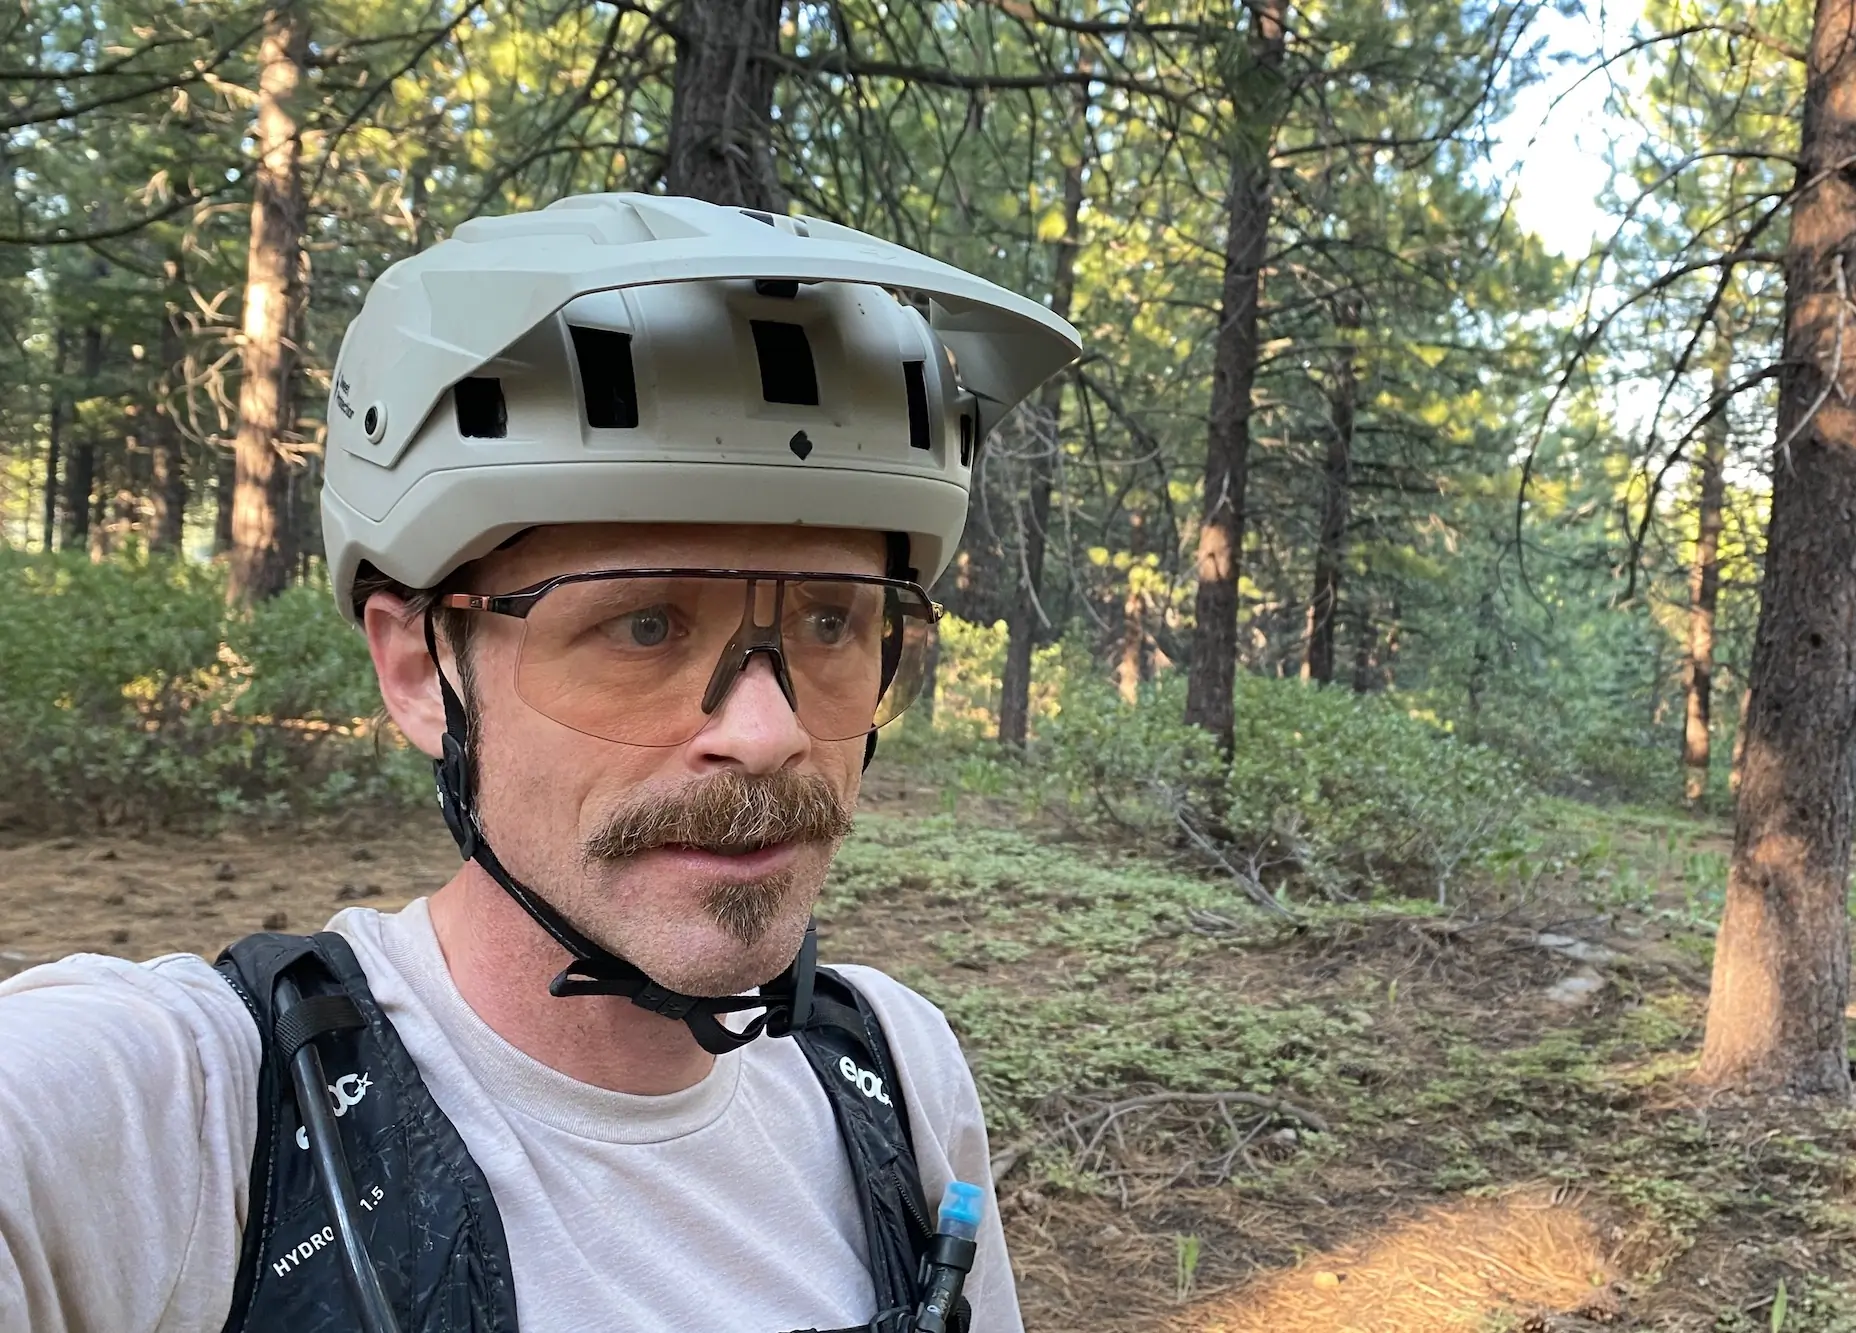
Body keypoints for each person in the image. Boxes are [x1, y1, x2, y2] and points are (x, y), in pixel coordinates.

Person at [0, 193, 1080, 1332]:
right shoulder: (178, 1117)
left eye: (829, 625)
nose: (766, 735)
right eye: (646, 627)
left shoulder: (893, 1070)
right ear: (421, 667)